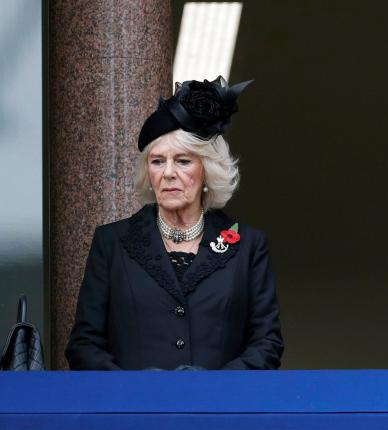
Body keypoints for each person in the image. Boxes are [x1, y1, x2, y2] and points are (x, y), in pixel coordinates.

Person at [66, 77, 283, 370]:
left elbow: (267, 344)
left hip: (217, 411)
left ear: (207, 170)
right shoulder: (112, 243)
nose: (168, 173)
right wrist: (135, 389)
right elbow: (84, 346)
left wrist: (211, 387)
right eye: (157, 161)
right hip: (133, 411)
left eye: (182, 161)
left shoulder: (248, 246)